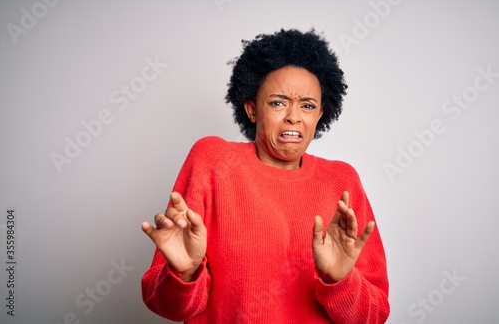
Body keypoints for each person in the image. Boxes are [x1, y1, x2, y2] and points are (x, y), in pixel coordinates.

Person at [141, 28, 390, 323]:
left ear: (321, 114)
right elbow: (166, 305)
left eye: (308, 106)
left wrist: (340, 280)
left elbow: (373, 317)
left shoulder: (342, 182)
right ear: (252, 109)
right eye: (278, 102)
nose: (293, 116)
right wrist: (184, 273)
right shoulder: (213, 161)